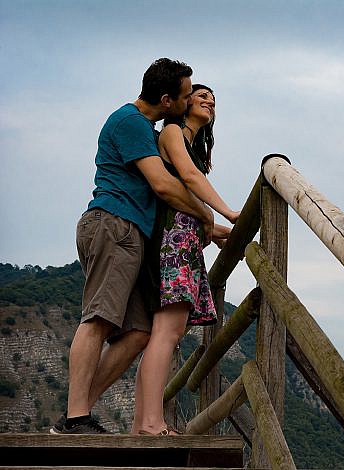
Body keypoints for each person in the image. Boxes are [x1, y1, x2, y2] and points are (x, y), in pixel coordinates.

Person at [51, 58, 215, 434]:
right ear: (166, 99)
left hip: (132, 235)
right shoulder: (130, 122)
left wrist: (212, 224)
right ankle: (77, 418)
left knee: (138, 331)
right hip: (113, 224)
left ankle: (75, 412)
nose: (190, 100)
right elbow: (164, 184)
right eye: (187, 95)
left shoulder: (145, 127)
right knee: (98, 319)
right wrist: (206, 215)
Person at [132, 84, 238, 436]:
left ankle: (143, 422)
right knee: (167, 331)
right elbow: (188, 180)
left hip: (182, 237)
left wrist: (218, 228)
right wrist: (231, 214)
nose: (209, 100)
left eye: (214, 98)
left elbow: (192, 208)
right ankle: (151, 423)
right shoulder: (173, 132)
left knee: (166, 333)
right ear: (183, 101)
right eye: (201, 94)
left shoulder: (190, 143)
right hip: (171, 240)